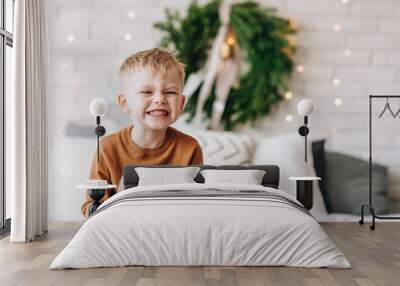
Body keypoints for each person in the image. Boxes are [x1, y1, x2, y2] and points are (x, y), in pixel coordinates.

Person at [81, 48, 204, 217]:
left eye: (170, 92)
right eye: (147, 92)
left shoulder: (190, 148)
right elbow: (90, 206)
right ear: (124, 103)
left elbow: (197, 203)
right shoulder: (107, 148)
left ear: (181, 103)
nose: (160, 99)